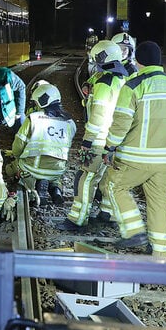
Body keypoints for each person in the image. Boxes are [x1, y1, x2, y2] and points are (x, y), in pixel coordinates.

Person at [101, 41, 166, 256]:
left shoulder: (133, 85)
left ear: (138, 61)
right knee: (159, 203)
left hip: (136, 158)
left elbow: (121, 122)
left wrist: (109, 146)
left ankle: (133, 231)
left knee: (113, 185)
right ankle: (159, 254)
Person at [59, 40, 128, 232]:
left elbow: (98, 116)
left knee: (85, 177)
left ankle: (77, 219)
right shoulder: (122, 78)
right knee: (107, 178)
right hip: (116, 140)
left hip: (100, 139)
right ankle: (107, 214)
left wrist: (87, 142)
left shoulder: (105, 83)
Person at [8, 84, 76, 206]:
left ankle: (34, 186)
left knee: (10, 168)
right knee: (54, 176)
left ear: (42, 101)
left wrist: (17, 158)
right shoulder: (70, 123)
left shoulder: (33, 119)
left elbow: (17, 148)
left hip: (32, 168)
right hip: (57, 170)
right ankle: (55, 189)